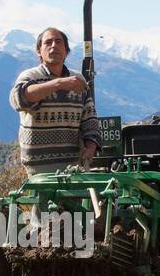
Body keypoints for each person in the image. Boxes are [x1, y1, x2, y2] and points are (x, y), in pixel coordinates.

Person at [8, 27, 101, 176]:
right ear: (39, 51)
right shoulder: (30, 77)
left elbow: (90, 119)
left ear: (66, 50)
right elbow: (18, 99)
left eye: (59, 42)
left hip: (73, 168)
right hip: (38, 169)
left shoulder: (78, 80)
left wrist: (91, 148)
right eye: (48, 42)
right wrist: (59, 84)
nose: (54, 46)